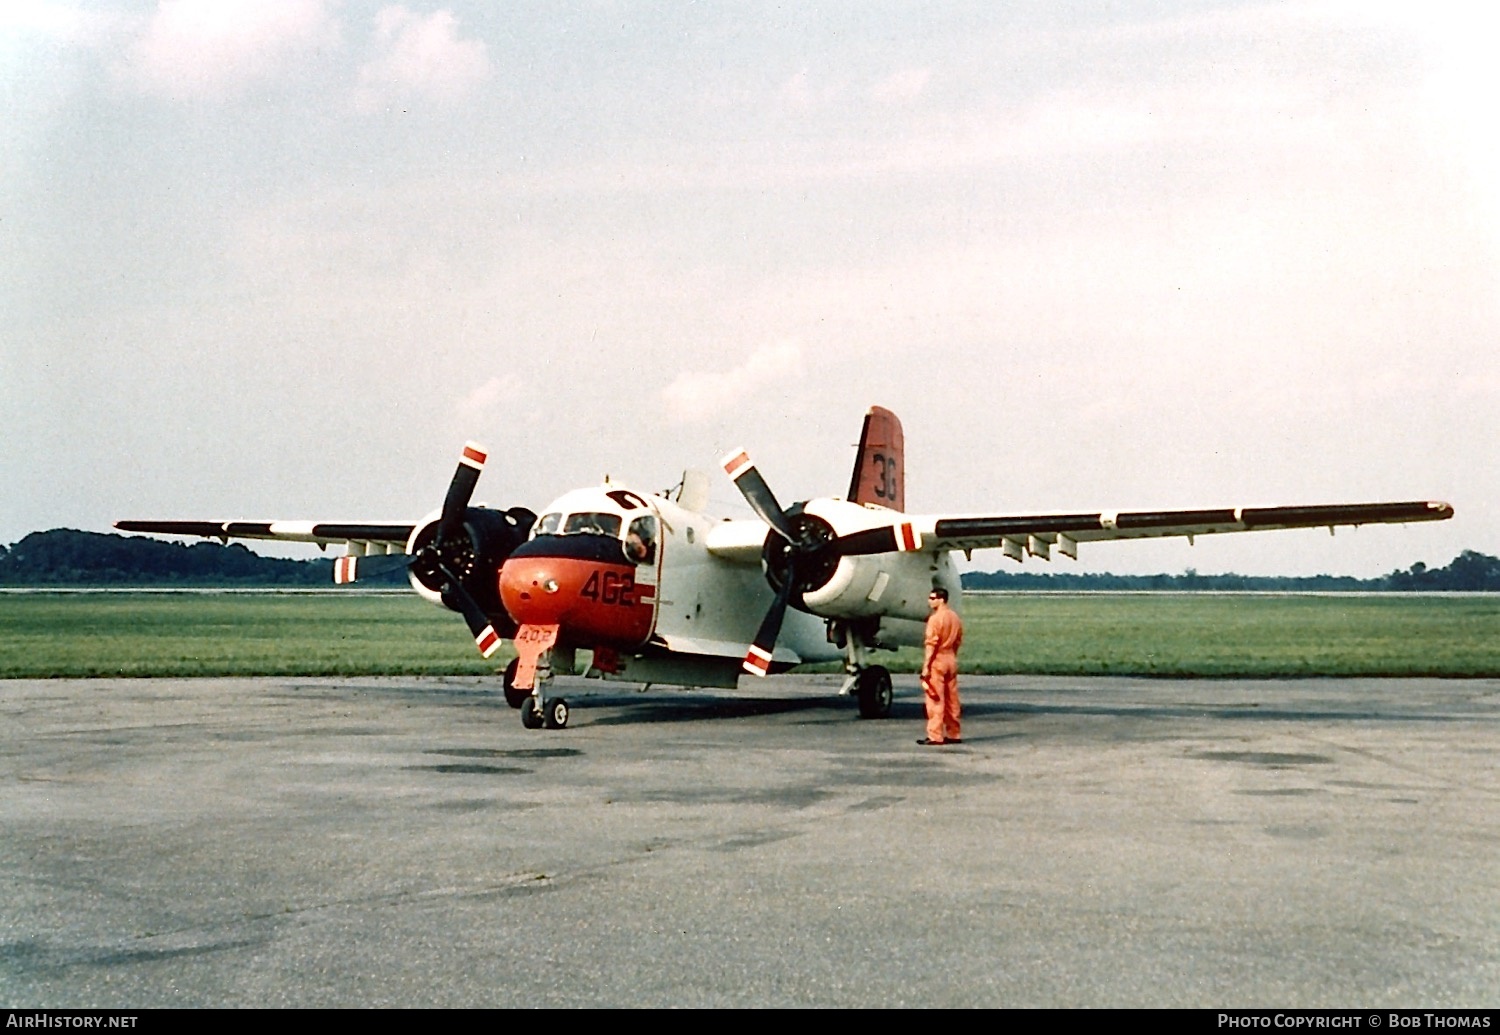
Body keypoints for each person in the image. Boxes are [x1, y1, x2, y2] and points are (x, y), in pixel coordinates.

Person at [918, 586, 963, 745]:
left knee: (935, 699)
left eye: (932, 598)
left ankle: (935, 735)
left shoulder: (935, 619)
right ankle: (954, 733)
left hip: (938, 660)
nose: (929, 601)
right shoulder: (955, 617)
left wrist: (926, 667)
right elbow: (958, 640)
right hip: (951, 658)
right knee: (952, 700)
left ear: (941, 599)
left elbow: (931, 645)